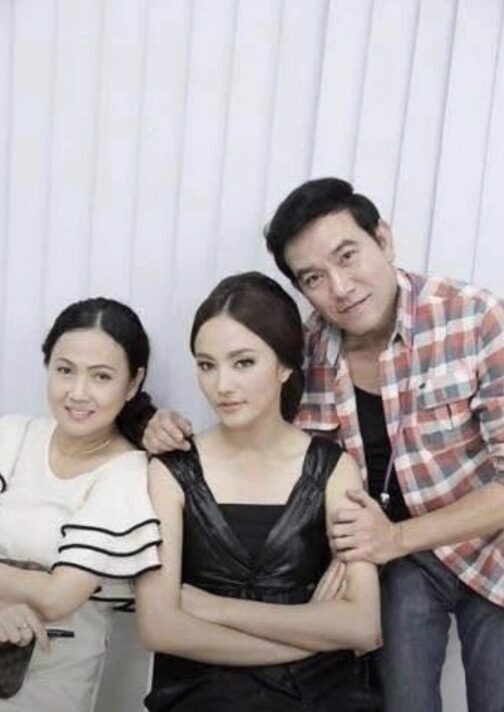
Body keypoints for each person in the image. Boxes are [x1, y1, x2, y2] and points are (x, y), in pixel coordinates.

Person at [143, 178, 504, 712]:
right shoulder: (304, 351)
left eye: (347, 255)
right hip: (394, 563)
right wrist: (155, 425)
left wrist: (394, 538)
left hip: (488, 543)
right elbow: (260, 436)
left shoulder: (473, 318)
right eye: (313, 277)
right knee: (402, 698)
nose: (340, 287)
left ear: (383, 239)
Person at [136, 272, 381, 712]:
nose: (222, 386)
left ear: (285, 366)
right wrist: (311, 632)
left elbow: (363, 625)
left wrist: (214, 608)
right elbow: (159, 627)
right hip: (199, 698)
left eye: (243, 362)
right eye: (206, 365)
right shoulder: (171, 470)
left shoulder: (334, 469)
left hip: (321, 697)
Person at [0, 297, 161, 712]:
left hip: (43, 688)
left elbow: (57, 597)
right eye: (65, 370)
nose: (78, 392)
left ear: (133, 383)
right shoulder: (11, 437)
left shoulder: (128, 475)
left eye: (101, 376)